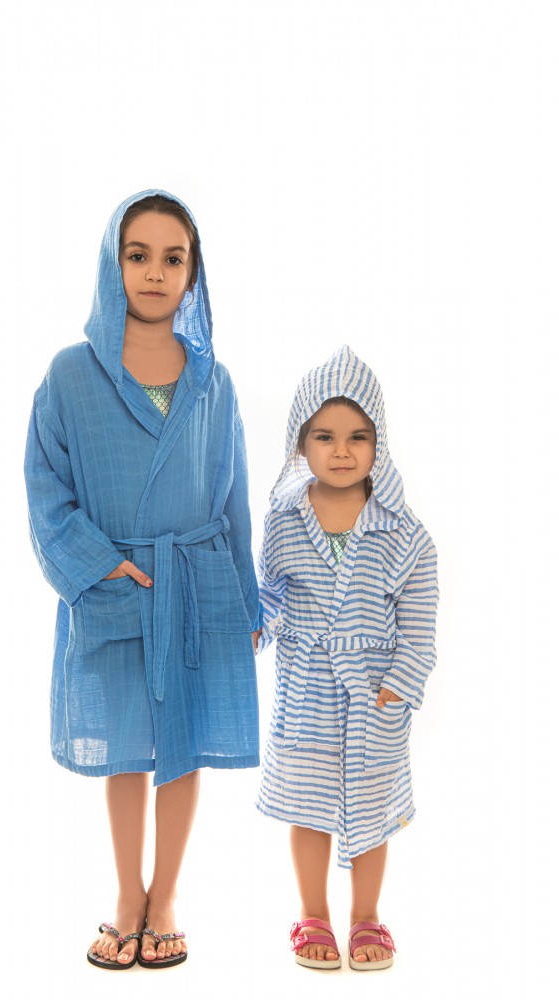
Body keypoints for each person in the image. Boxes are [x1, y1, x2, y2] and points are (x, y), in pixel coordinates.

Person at [24, 190, 261, 971]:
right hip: (118, 581)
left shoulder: (214, 380)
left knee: (185, 742)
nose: (155, 273)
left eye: (172, 258)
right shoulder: (70, 374)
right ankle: (128, 895)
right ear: (112, 263)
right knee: (126, 745)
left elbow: (232, 494)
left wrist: (246, 595)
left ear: (193, 275)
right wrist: (99, 564)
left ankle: (167, 897)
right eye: (138, 255)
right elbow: (46, 490)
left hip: (195, 581)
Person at [256, 345, 438, 971]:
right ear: (299, 443)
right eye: (325, 436)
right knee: (307, 805)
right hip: (306, 685)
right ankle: (313, 913)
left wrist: (401, 683)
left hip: (373, 691)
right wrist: (258, 628)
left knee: (372, 808)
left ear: (378, 443)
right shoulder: (283, 520)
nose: (341, 451)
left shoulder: (402, 530)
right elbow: (271, 593)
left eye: (358, 436)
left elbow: (420, 619)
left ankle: (366, 916)